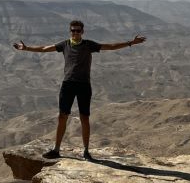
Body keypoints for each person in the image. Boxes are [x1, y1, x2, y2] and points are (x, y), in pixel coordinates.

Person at [12, 19, 146, 161]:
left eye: (78, 30)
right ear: (70, 31)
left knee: (84, 117)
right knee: (62, 116)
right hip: (68, 84)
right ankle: (56, 149)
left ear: (82, 32)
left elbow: (110, 46)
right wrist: (26, 48)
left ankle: (86, 151)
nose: (75, 33)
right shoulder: (64, 44)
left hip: (83, 85)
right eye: (73, 30)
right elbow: (45, 49)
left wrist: (130, 43)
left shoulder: (89, 45)